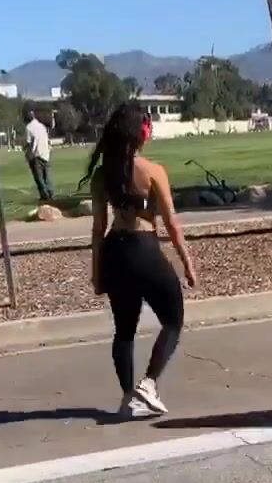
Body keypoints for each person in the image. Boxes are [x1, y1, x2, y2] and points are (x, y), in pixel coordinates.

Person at [82, 103, 197, 419]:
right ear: (141, 133)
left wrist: (97, 273)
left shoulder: (102, 175)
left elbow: (97, 229)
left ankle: (127, 399)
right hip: (143, 248)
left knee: (124, 330)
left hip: (114, 253)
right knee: (172, 319)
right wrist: (187, 264)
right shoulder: (153, 171)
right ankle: (148, 384)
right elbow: (172, 224)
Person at [23, 109, 54, 202]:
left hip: (36, 155)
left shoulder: (29, 128)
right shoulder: (41, 126)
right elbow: (47, 140)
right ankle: (50, 193)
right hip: (45, 154)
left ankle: (45, 195)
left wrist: (27, 153)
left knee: (39, 177)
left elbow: (29, 143)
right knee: (46, 176)